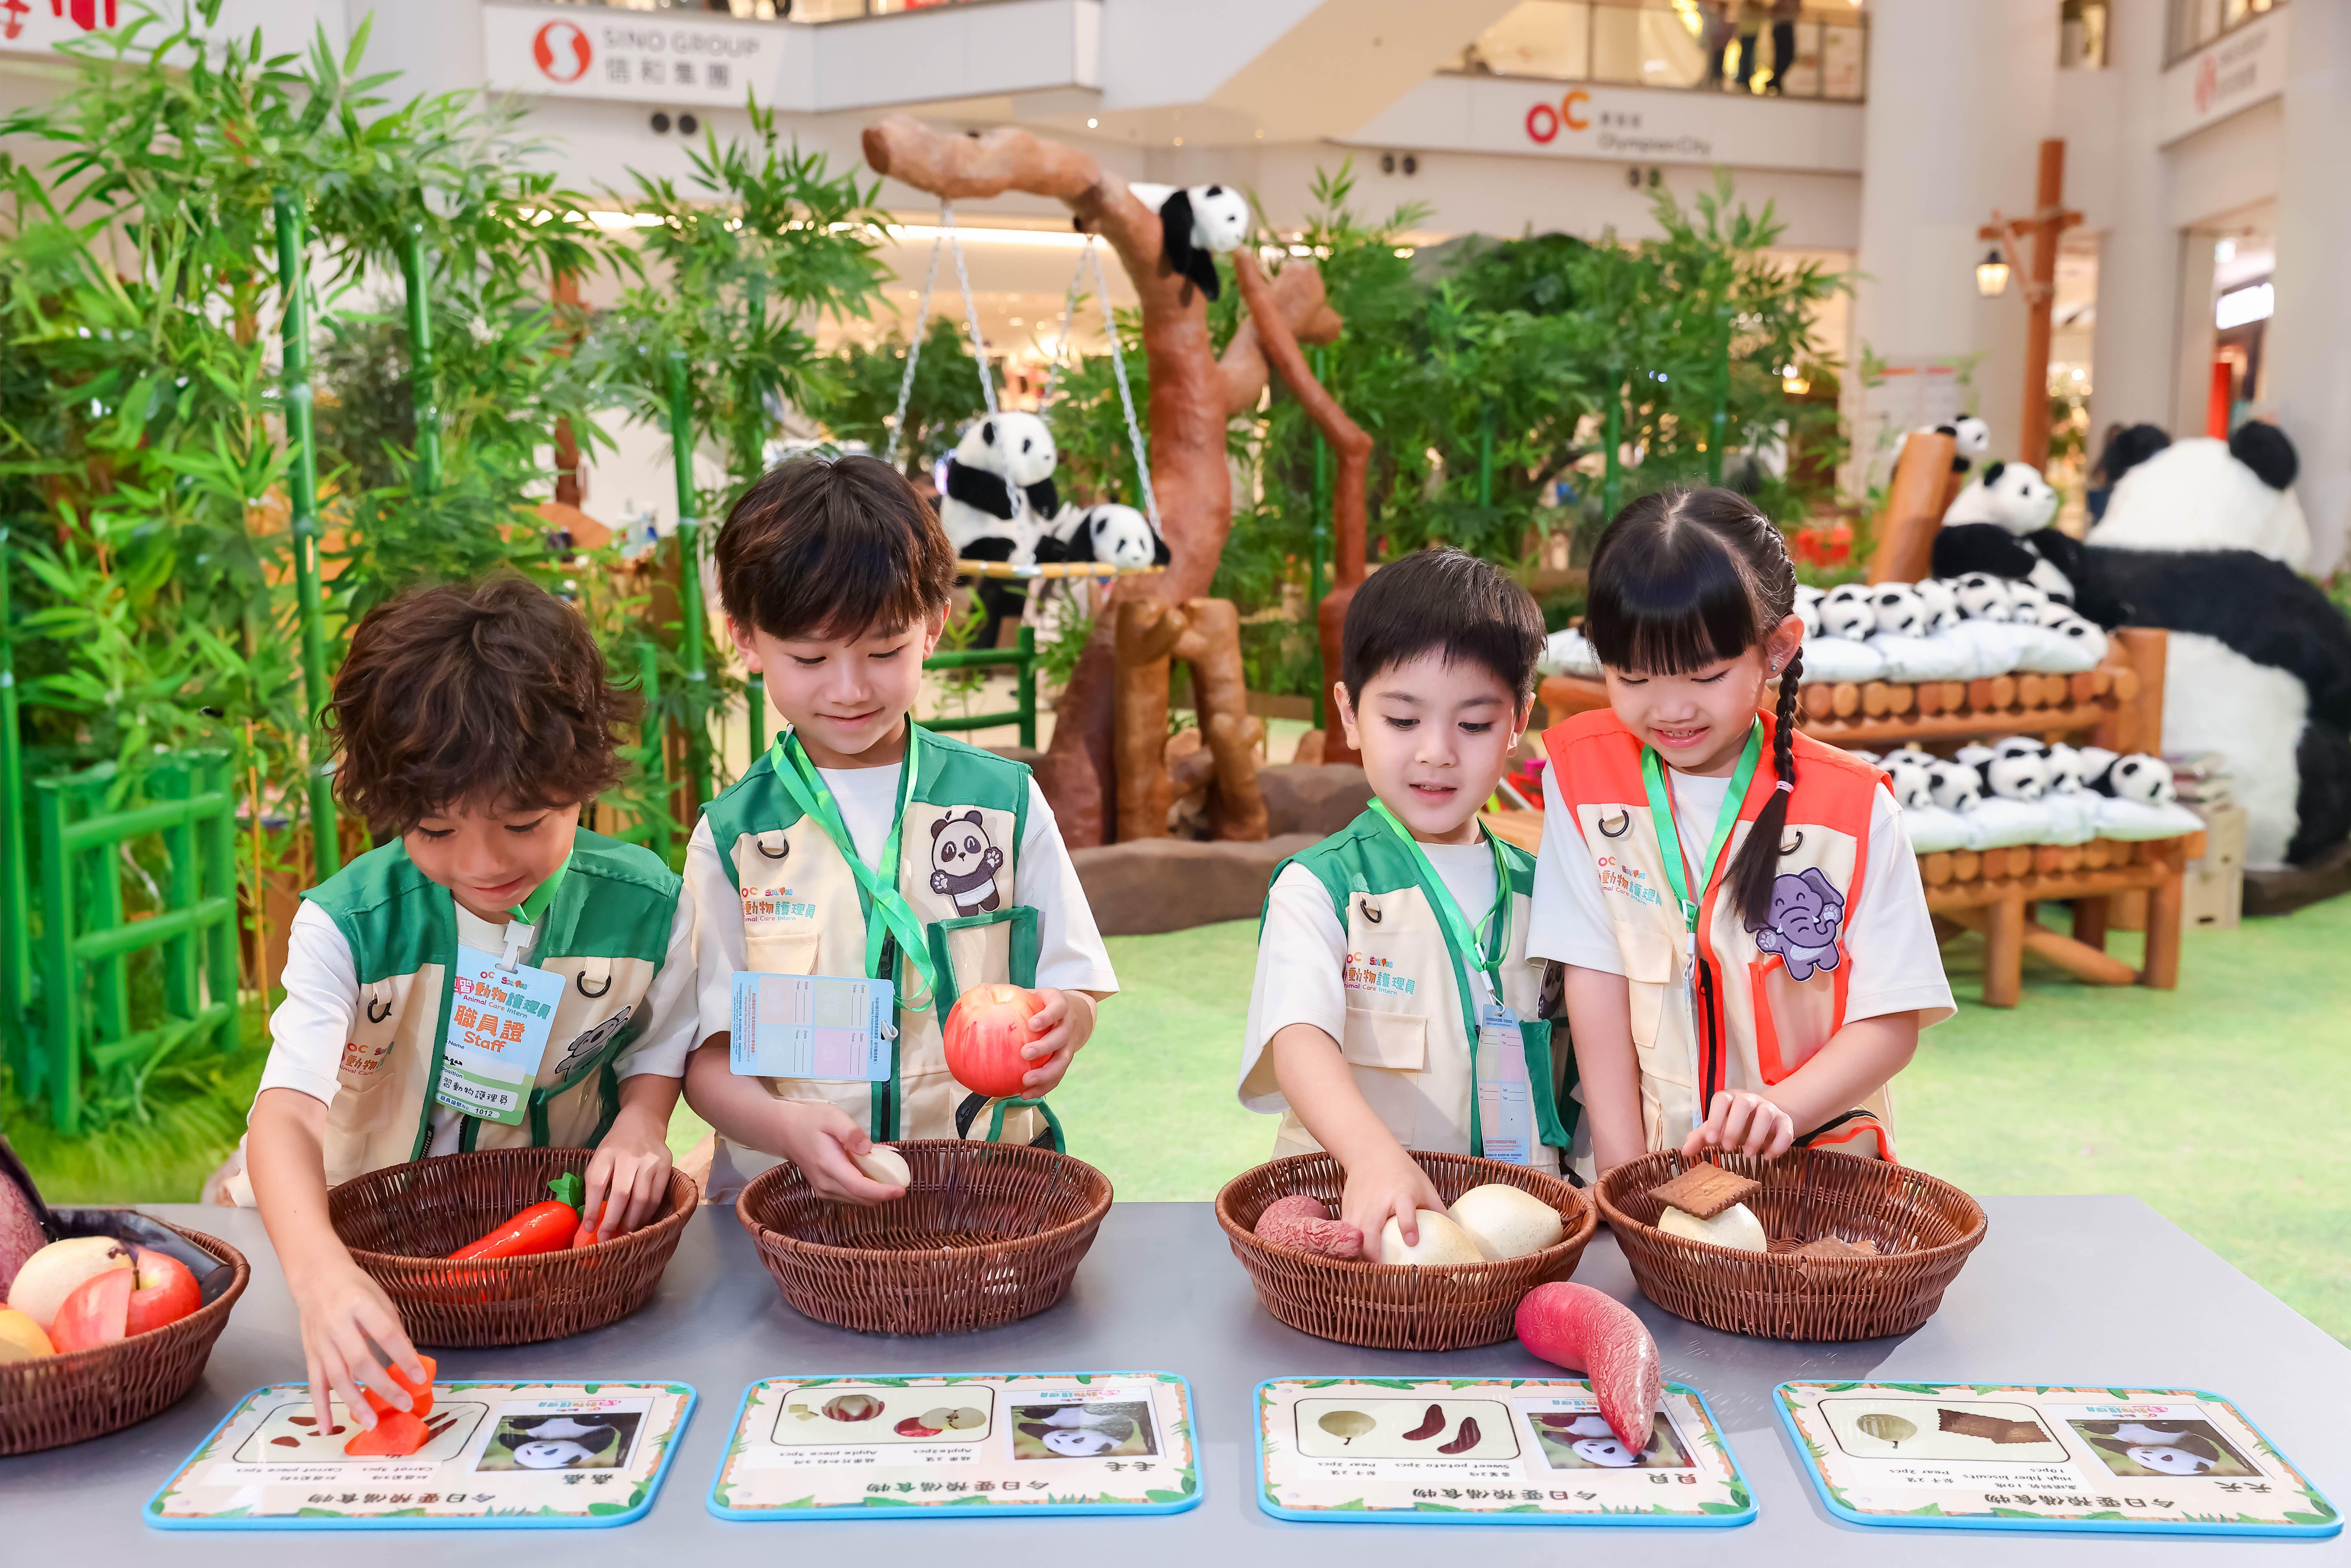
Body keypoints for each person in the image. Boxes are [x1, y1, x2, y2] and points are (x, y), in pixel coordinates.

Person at [245, 577, 696, 1429]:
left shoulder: (650, 909)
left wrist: (643, 1122)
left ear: (584, 776)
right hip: (366, 1267)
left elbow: (661, 1044)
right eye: (438, 830)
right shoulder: (347, 928)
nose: (485, 864)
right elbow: (287, 1114)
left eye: (524, 821)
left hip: (561, 1281)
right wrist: (320, 1274)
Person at [681, 454, 1115, 1202]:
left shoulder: (1004, 801)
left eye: (884, 651)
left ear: (935, 626)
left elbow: (1073, 982)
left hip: (983, 1187)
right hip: (791, 1200)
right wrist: (784, 1131)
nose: (849, 688)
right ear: (746, 641)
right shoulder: (732, 837)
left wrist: (1064, 1025)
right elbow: (706, 1059)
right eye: (810, 657)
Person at [1530, 489, 1951, 1179]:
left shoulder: (1855, 806)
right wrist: (1622, 1170)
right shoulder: (1579, 775)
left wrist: (1782, 1109)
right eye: (1631, 676)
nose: (1669, 709)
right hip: (1653, 1169)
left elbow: (1892, 1020)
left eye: (1705, 675)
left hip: (1817, 1175)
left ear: (1777, 648)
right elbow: (1594, 974)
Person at [1238, 548, 1574, 1258]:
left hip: (1519, 1242)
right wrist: (1371, 1156)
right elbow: (1298, 1040)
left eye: (1475, 725)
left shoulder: (1550, 891)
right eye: (1402, 720)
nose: (1436, 753)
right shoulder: (1320, 886)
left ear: (1519, 722)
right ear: (1350, 714)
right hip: (1359, 1237)